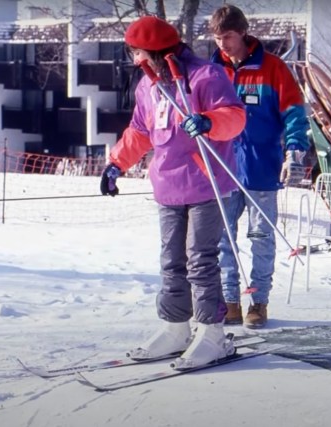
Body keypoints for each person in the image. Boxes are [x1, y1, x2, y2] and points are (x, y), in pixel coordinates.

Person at [99, 15, 246, 369]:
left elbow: (235, 116)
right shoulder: (148, 87)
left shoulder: (205, 77)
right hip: (167, 185)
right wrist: (117, 163)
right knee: (171, 262)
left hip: (205, 184)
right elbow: (139, 131)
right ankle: (175, 327)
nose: (136, 60)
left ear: (158, 51)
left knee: (201, 260)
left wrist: (211, 121)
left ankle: (212, 333)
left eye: (139, 53)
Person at [208, 4, 311, 328]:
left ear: (242, 32)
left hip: (262, 168)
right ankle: (230, 300)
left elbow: (294, 112)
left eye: (227, 36)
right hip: (223, 168)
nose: (221, 44)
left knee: (260, 238)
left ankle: (259, 302)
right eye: (216, 37)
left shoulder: (273, 69)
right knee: (222, 238)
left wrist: (294, 149)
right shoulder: (212, 71)